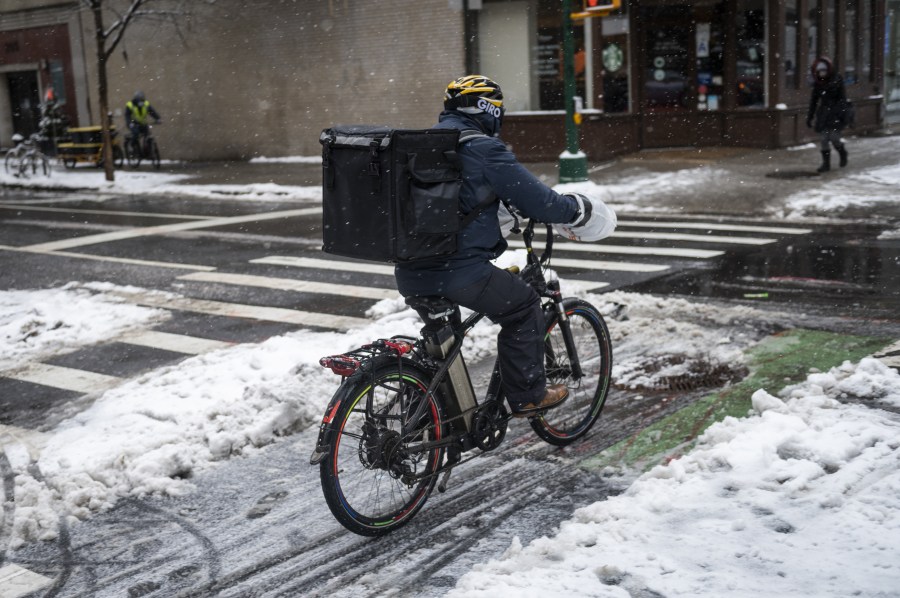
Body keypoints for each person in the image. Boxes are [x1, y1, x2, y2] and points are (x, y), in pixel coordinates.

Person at [394, 75, 617, 418]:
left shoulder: (425, 145)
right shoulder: (483, 149)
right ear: (488, 110)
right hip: (458, 271)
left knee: (445, 343)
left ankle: (438, 422)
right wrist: (578, 211)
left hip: (411, 269)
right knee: (523, 307)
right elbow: (541, 203)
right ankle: (529, 395)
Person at [806, 57, 849, 173]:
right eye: (820, 72)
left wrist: (842, 114)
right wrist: (810, 117)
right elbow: (813, 102)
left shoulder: (837, 80)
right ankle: (826, 164)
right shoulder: (818, 84)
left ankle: (842, 152)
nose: (822, 74)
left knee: (834, 138)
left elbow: (843, 99)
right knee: (824, 139)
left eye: (824, 71)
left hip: (836, 114)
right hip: (823, 114)